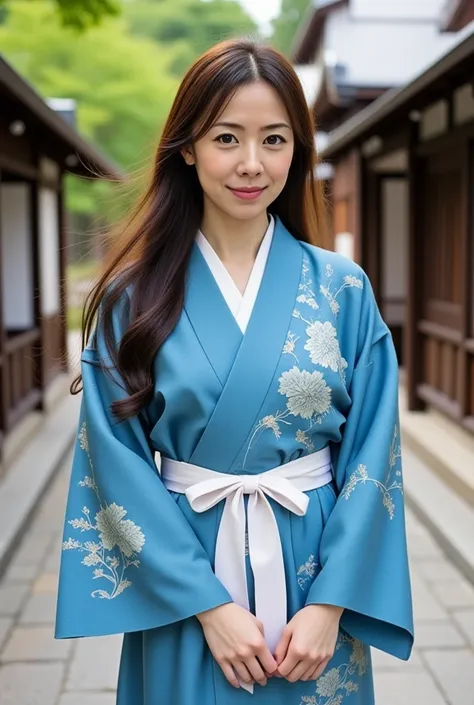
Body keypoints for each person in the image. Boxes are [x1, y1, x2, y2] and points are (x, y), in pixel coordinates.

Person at [55, 37, 414, 705]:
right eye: (227, 138)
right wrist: (209, 607)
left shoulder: (343, 290)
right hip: (188, 584)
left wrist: (331, 604)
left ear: (296, 151)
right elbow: (115, 464)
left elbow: (373, 459)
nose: (251, 163)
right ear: (187, 146)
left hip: (314, 582)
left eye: (274, 140)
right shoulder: (133, 299)